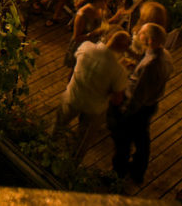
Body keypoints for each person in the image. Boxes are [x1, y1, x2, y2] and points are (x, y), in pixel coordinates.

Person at [110, 23, 173, 185]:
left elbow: (137, 95)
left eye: (141, 33)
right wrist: (135, 69)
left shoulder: (150, 64)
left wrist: (124, 111)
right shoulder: (165, 55)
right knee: (142, 138)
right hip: (151, 104)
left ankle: (118, 174)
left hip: (137, 108)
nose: (137, 33)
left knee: (123, 141)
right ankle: (138, 170)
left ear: (150, 40)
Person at [56, 31, 131, 160]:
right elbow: (117, 100)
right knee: (82, 140)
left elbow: (75, 65)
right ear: (124, 48)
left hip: (73, 95)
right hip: (94, 108)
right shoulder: (118, 71)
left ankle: (46, 147)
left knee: (58, 126)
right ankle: (71, 164)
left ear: (109, 38)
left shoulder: (86, 47)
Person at [64, 0, 109, 67]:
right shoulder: (82, 14)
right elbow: (76, 38)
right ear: (96, 0)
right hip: (81, 47)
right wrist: (93, 33)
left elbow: (104, 23)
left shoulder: (101, 9)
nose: (106, 1)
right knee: (76, 71)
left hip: (94, 46)